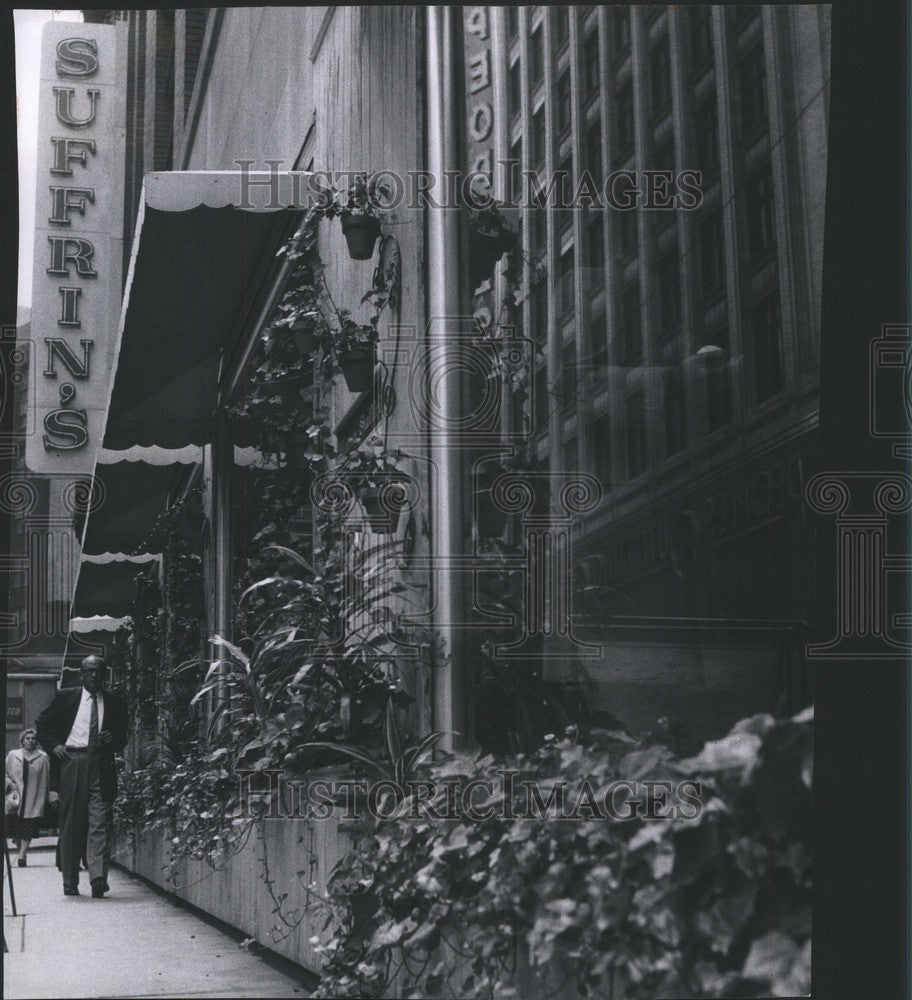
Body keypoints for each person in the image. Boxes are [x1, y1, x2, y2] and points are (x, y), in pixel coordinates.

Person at [36, 656, 128, 897]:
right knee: (71, 823)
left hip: (102, 764)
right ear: (81, 674)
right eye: (89, 672)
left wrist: (114, 740)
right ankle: (70, 880)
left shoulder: (116, 702)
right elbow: (42, 725)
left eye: (99, 672)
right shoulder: (66, 697)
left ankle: (98, 878)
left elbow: (123, 737)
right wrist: (54, 746)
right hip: (72, 762)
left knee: (100, 821)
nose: (94, 676)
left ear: (104, 675)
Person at [5, 728, 52, 866]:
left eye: (33, 738)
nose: (30, 741)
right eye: (28, 738)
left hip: (34, 796)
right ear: (22, 740)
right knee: (15, 828)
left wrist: (47, 796)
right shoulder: (13, 755)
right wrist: (10, 785)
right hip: (15, 796)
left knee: (28, 827)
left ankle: (22, 854)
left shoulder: (42, 757)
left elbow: (46, 778)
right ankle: (21, 853)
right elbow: (5, 773)